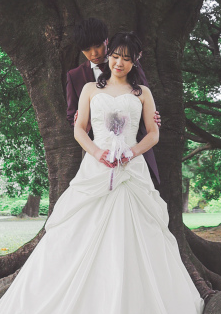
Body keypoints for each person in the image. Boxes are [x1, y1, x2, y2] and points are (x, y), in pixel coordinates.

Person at [0, 32, 206, 314]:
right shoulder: (90, 90)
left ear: (136, 59)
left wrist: (129, 152)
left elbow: (153, 135)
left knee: (137, 243)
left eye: (127, 57)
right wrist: (99, 154)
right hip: (96, 171)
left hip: (131, 172)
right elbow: (80, 129)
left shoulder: (142, 94)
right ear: (108, 56)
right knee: (74, 242)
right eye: (115, 55)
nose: (119, 62)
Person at [66, 17, 161, 190]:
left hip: (133, 149)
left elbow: (140, 101)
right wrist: (82, 123)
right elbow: (74, 118)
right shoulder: (77, 78)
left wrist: (152, 120)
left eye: (98, 46)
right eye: (87, 49)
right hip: (98, 152)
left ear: (106, 43)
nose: (94, 53)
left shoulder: (132, 66)